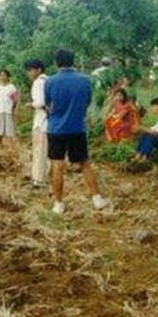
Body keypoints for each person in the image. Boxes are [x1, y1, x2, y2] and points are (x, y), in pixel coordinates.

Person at [45, 48, 109, 214]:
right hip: (77, 128)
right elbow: (87, 102)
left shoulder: (50, 81)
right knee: (84, 163)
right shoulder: (84, 80)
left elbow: (48, 104)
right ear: (73, 61)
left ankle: (58, 204)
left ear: (57, 62)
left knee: (57, 165)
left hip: (56, 128)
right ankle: (97, 199)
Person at [24, 59, 49, 188]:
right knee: (47, 152)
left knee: (39, 151)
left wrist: (31, 104)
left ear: (39, 70)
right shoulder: (49, 80)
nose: (28, 73)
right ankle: (45, 177)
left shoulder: (38, 82)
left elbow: (40, 102)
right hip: (50, 121)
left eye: (30, 70)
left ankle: (38, 180)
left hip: (41, 121)